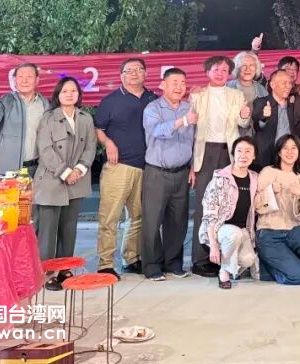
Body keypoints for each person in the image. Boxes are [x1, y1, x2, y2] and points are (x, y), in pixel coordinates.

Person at [94, 58, 157, 278]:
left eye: (139, 69)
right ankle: (105, 263)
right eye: (129, 70)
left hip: (146, 166)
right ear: (121, 75)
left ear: (146, 73)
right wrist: (108, 143)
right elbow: (99, 129)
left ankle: (131, 258)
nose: (134, 73)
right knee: (110, 217)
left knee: (137, 217)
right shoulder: (110, 101)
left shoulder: (153, 99)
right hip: (118, 166)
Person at [190, 55, 252, 277]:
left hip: (229, 153)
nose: (220, 73)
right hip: (205, 153)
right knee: (205, 206)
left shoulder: (236, 95)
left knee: (227, 205)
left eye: (224, 70)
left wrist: (245, 116)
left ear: (229, 74)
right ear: (207, 72)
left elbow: (243, 123)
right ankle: (200, 259)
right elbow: (190, 130)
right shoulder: (197, 95)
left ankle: (223, 258)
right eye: (216, 69)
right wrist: (191, 165)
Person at [34, 77, 96, 290]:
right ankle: (47, 273)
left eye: (73, 91)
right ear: (57, 95)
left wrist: (79, 169)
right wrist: (65, 172)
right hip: (52, 180)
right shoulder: (48, 118)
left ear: (79, 94)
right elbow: (45, 149)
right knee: (48, 232)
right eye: (65, 91)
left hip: (77, 180)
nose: (69, 94)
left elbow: (90, 147)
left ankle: (65, 268)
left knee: (69, 229)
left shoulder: (85, 118)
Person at [141, 68, 194, 281]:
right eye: (174, 82)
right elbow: (157, 131)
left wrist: (193, 167)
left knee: (178, 221)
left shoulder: (188, 108)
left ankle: (173, 263)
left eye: (183, 83)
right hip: (157, 173)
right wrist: (183, 121)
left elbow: (195, 139)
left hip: (182, 173)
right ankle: (152, 265)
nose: (179, 87)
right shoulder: (153, 108)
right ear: (163, 85)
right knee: (152, 221)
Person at [254, 134, 300, 285]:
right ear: (279, 152)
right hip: (269, 233)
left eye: (294, 148)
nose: (290, 152)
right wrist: (270, 191)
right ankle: (267, 269)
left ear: (298, 152)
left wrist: (299, 197)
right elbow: (255, 206)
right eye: (285, 148)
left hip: (292, 232)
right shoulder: (268, 171)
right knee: (298, 277)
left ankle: (286, 266)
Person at [200, 136, 259, 290]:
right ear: (233, 154)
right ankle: (224, 271)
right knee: (234, 234)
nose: (243, 155)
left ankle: (229, 263)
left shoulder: (254, 179)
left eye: (248, 151)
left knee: (248, 259)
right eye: (239, 151)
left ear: (254, 156)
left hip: (242, 230)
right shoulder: (220, 179)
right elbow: (209, 214)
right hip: (220, 230)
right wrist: (213, 244)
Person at [0, 62, 50, 175]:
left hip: (35, 169)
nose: (24, 80)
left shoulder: (44, 104)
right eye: (20, 77)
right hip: (7, 170)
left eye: (29, 77)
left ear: (37, 80)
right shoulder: (6, 101)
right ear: (15, 80)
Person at [251, 70, 295, 172]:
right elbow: (257, 125)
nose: (288, 86)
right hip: (266, 157)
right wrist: (264, 117)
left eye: (290, 83)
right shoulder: (261, 102)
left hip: (288, 157)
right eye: (284, 83)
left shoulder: (293, 105)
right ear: (272, 85)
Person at [226, 51, 268, 136]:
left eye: (251, 65)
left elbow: (265, 123)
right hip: (232, 138)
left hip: (256, 138)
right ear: (237, 68)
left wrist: (264, 118)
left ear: (256, 69)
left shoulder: (262, 90)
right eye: (244, 65)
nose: (247, 69)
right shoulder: (227, 88)